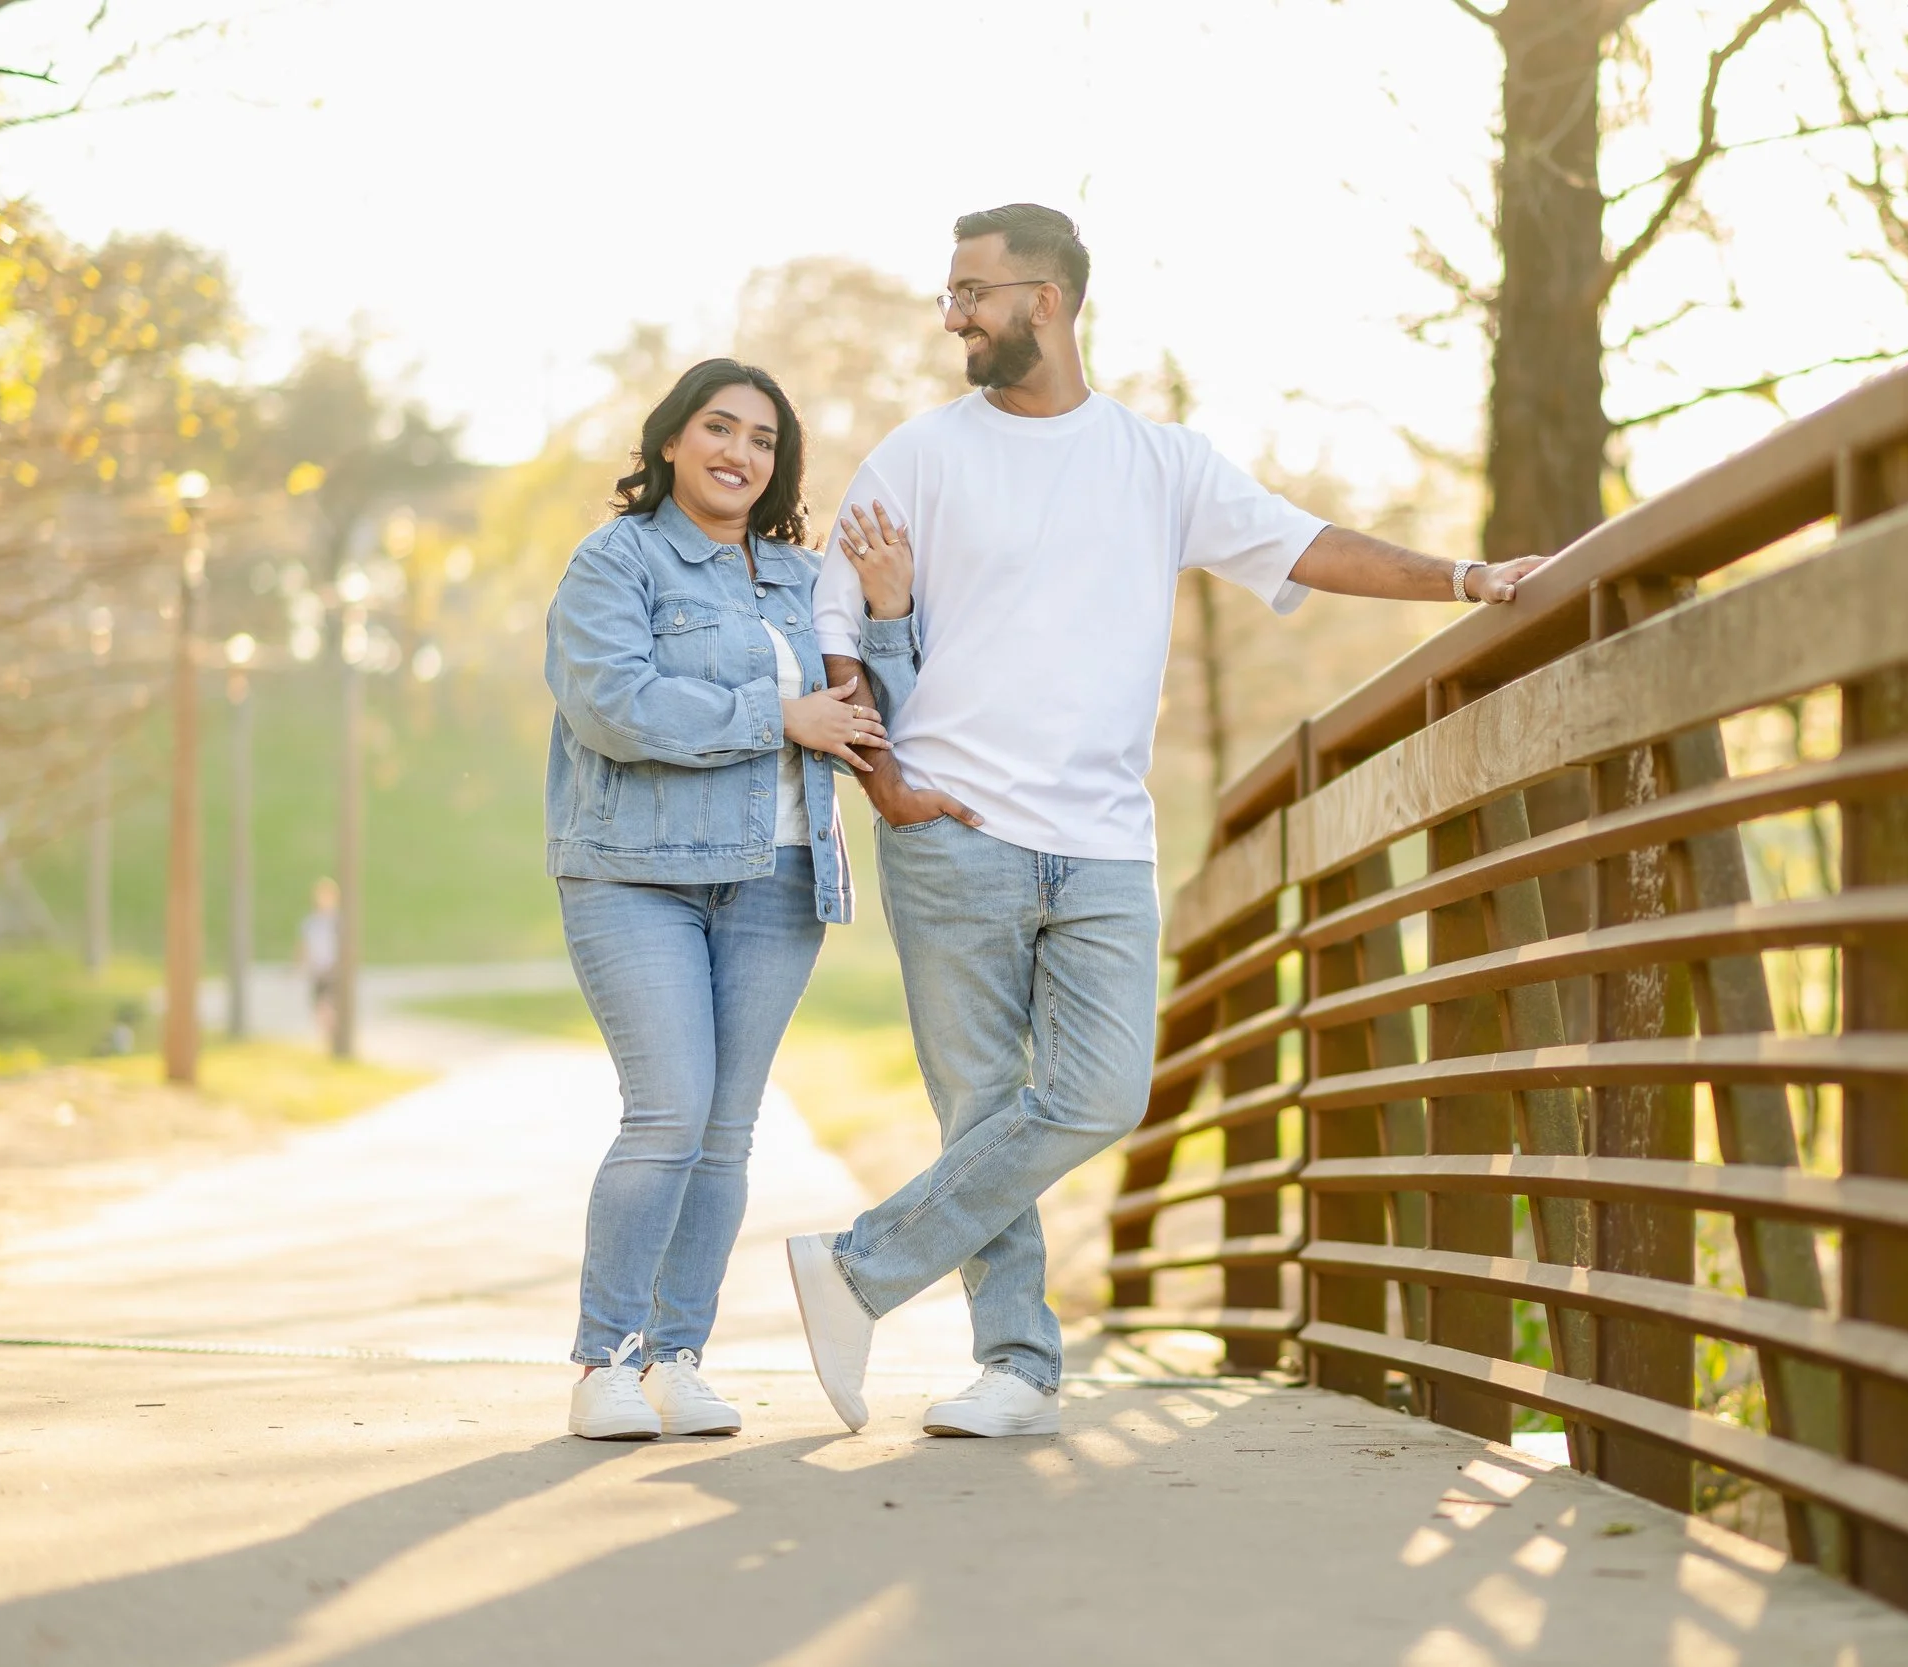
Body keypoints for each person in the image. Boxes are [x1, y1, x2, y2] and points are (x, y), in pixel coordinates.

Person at [792, 204, 1548, 1439]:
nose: (953, 318)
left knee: (1098, 1094)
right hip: (952, 828)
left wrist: (1463, 580)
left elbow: (1310, 545)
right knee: (983, 1109)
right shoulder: (921, 454)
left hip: (1100, 841)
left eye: (971, 293)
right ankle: (1018, 1366)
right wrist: (885, 782)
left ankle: (858, 1268)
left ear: (1046, 299)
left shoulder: (1162, 462)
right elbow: (836, 624)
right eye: (948, 295)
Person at [544, 358, 887, 1441]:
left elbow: (878, 701)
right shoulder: (617, 560)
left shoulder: (803, 577)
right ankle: (603, 1359)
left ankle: (676, 1356)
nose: (740, 453)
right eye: (718, 428)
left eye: (763, 439)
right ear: (670, 442)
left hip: (780, 876)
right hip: (636, 873)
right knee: (668, 1113)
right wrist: (777, 714)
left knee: (728, 1131)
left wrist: (894, 607)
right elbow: (614, 705)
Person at [297, 877, 340, 1051]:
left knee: (327, 1004)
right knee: (319, 1006)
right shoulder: (311, 922)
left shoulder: (338, 921)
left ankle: (333, 1036)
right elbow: (303, 945)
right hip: (317, 970)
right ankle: (328, 1037)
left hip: (332, 968)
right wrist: (299, 965)